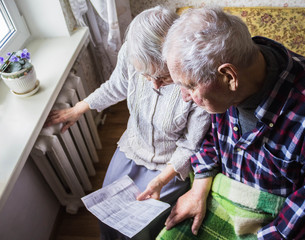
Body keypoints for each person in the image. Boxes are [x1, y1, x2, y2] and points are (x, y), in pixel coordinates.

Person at [159, 7, 305, 240]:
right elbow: (208, 139)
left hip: (274, 225)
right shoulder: (219, 85)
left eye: (189, 86)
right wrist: (198, 188)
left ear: (229, 77)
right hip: (220, 195)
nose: (185, 97)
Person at [45, 6, 211, 240]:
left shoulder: (195, 84)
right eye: (146, 76)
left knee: (140, 227)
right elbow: (117, 86)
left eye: (163, 77)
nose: (154, 85)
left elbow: (189, 146)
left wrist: (162, 179)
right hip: (133, 147)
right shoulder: (131, 53)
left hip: (170, 163)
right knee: (108, 211)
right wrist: (79, 108)